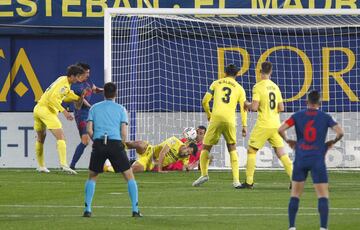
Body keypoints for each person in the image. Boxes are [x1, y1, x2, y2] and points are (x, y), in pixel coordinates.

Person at [278, 90, 344, 230]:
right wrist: (331, 142)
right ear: (320, 103)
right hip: (317, 159)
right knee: (322, 195)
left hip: (301, 158)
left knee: (295, 194)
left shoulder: (297, 115)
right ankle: (323, 228)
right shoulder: (325, 117)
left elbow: (280, 129)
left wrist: (288, 140)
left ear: (307, 102)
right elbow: (340, 132)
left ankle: (292, 227)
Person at [83, 82, 141, 217]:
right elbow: (124, 132)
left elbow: (89, 129)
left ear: (104, 93)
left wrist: (96, 141)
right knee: (129, 176)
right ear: (116, 93)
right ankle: (135, 210)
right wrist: (121, 144)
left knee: (92, 176)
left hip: (99, 143)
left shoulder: (94, 108)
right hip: (115, 143)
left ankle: (88, 209)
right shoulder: (121, 109)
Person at [192, 64, 248, 189]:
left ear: (224, 73)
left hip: (216, 118)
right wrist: (244, 125)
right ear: (237, 74)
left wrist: (209, 114)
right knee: (232, 148)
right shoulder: (239, 88)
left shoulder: (216, 83)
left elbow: (205, 101)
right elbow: (244, 108)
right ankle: (236, 181)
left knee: (206, 147)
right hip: (229, 120)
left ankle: (204, 174)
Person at [239, 61, 293, 189]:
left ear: (260, 71)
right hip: (276, 124)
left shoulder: (258, 87)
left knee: (252, 150)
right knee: (281, 152)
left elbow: (254, 107)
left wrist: (246, 104)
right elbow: (281, 107)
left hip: (264, 124)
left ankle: (249, 182)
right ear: (271, 72)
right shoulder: (275, 87)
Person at [33, 65, 86, 174]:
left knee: (40, 138)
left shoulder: (62, 79)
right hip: (47, 111)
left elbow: (63, 95)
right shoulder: (64, 85)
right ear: (72, 76)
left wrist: (78, 98)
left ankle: (41, 166)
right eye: (77, 77)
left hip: (38, 109)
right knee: (61, 136)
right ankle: (64, 165)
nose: (78, 79)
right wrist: (65, 112)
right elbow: (53, 99)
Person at [69, 62, 104, 170]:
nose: (88, 74)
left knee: (98, 140)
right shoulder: (75, 86)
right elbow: (81, 101)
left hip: (90, 114)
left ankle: (100, 165)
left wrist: (105, 90)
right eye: (86, 72)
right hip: (82, 116)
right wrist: (92, 107)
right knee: (85, 140)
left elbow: (94, 89)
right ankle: (72, 166)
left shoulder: (88, 81)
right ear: (80, 73)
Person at [128, 137, 198, 173]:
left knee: (135, 168)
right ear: (186, 145)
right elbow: (162, 153)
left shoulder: (185, 157)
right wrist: (160, 169)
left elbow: (186, 166)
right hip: (150, 150)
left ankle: (120, 168)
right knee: (139, 144)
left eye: (189, 154)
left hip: (150, 163)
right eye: (188, 151)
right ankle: (119, 146)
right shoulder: (174, 141)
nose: (187, 154)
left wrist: (188, 168)